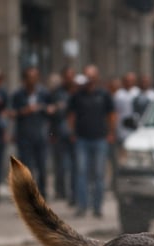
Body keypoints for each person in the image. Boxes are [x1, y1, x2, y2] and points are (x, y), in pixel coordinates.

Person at [67, 64, 115, 217]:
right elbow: (71, 115)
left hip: (100, 138)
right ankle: (82, 205)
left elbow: (111, 115)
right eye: (87, 76)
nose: (90, 79)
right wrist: (72, 132)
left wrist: (111, 132)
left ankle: (97, 207)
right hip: (82, 139)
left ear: (97, 77)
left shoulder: (104, 94)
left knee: (99, 174)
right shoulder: (77, 95)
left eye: (92, 76)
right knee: (81, 173)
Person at [10, 65, 55, 199]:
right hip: (24, 136)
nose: (33, 80)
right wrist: (25, 111)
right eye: (30, 78)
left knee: (41, 166)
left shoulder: (44, 93)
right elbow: (11, 112)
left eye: (35, 77)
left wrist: (47, 109)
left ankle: (42, 195)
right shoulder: (18, 95)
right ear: (25, 79)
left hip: (40, 135)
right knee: (26, 168)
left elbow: (52, 109)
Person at [48, 66, 77, 203]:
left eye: (71, 76)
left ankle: (74, 192)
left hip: (76, 134)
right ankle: (61, 191)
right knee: (61, 164)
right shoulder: (56, 93)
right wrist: (51, 133)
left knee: (75, 165)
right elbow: (51, 115)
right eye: (67, 76)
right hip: (60, 132)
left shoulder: (78, 92)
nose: (69, 79)